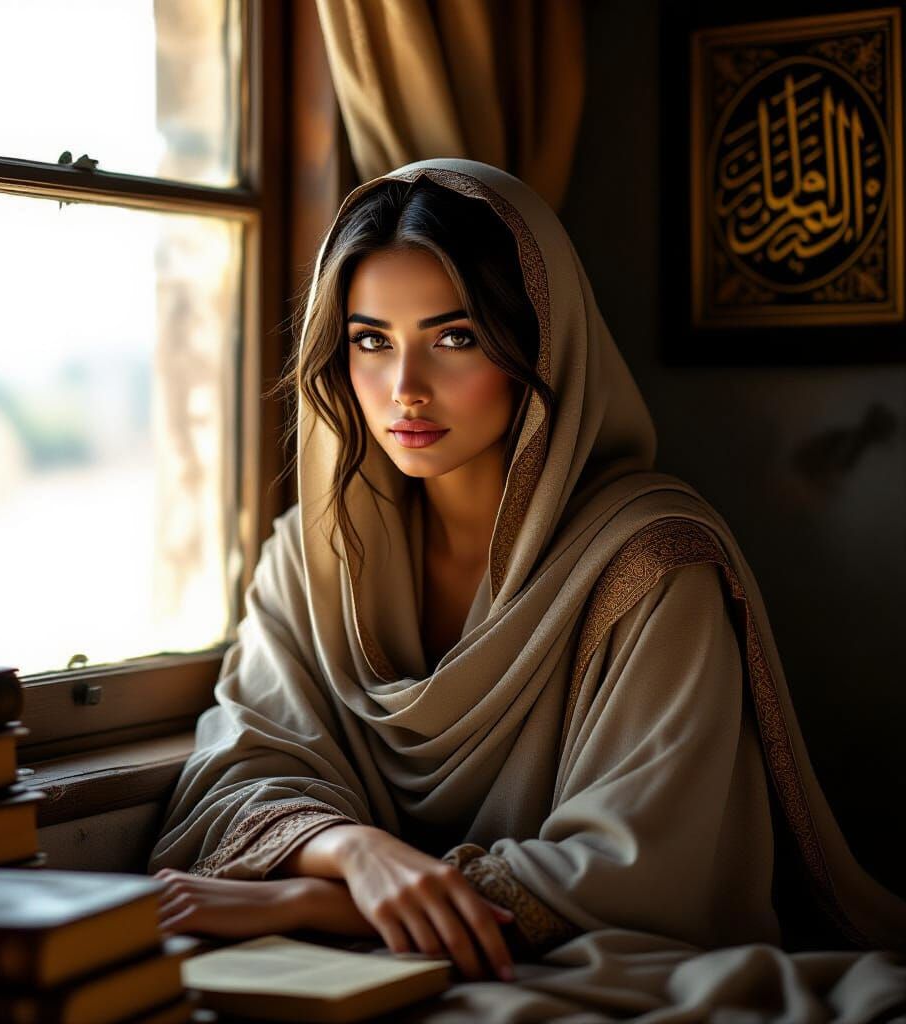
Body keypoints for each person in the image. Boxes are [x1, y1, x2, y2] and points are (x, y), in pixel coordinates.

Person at [148, 158, 906, 1020]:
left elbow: (639, 871)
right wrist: (357, 853)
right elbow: (244, 772)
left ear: (538, 344)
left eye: (455, 338)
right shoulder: (315, 557)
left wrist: (314, 900)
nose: (405, 390)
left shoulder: (653, 562)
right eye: (371, 341)